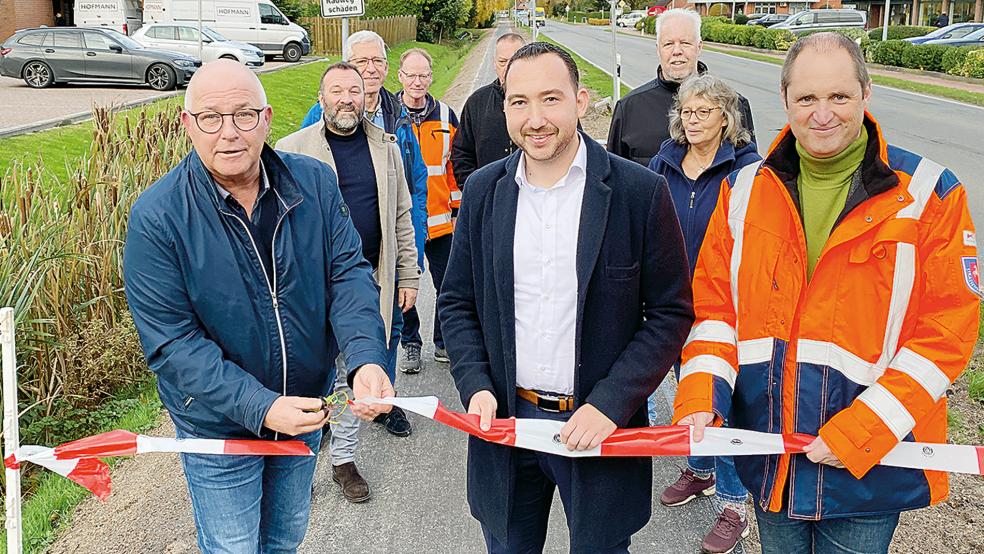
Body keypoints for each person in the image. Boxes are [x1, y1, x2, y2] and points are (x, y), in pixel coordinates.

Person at [673, 33, 979, 553]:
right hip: (772, 458)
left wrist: (861, 430)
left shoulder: (929, 194)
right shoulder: (742, 191)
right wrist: (702, 395)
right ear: (784, 98)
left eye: (838, 96)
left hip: (868, 469)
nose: (822, 114)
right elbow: (716, 311)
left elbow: (948, 331)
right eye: (807, 98)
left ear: (866, 93)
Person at [122, 60, 395, 552]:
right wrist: (261, 407)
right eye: (211, 117)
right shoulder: (158, 216)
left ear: (266, 119)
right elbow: (172, 343)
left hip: (305, 409)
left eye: (244, 115)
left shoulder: (314, 183)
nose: (229, 133)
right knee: (233, 546)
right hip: (218, 424)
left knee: (286, 538)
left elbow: (347, 275)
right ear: (187, 124)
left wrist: (366, 358)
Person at [439, 42, 695, 553]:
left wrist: (611, 403)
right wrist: (476, 385)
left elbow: (670, 313)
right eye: (519, 102)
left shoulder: (639, 192)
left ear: (581, 101)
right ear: (504, 106)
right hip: (507, 424)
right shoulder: (484, 191)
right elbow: (456, 302)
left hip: (599, 427)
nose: (535, 119)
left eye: (550, 99)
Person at [276, 61, 420, 501]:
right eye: (336, 91)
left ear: (366, 97)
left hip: (366, 283)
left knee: (350, 376)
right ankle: (298, 465)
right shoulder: (290, 150)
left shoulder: (386, 147)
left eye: (354, 91)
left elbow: (401, 215)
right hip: (306, 291)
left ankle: (343, 461)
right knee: (303, 380)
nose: (346, 99)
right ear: (321, 99)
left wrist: (408, 273)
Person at [647, 73, 761, 554]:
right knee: (687, 392)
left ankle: (734, 506)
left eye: (703, 112)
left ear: (726, 117)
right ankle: (700, 469)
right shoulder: (663, 161)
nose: (692, 120)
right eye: (686, 112)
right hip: (675, 303)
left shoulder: (749, 171)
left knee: (722, 406)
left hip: (726, 309)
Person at [300, 31, 429, 271]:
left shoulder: (398, 115)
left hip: (387, 261)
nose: (371, 69)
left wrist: (415, 249)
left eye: (377, 61)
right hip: (331, 262)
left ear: (386, 68)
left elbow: (415, 184)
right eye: (362, 61)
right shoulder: (319, 115)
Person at [607, 8, 755, 166]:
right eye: (668, 44)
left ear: (699, 47)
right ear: (658, 49)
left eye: (685, 43)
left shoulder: (733, 105)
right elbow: (613, 173)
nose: (677, 51)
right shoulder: (629, 108)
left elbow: (750, 173)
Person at [394, 47, 461, 373]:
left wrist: (457, 210)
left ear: (431, 77)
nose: (417, 82)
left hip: (441, 221)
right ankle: (410, 343)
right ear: (400, 77)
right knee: (403, 285)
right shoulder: (388, 115)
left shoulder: (447, 115)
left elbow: (453, 168)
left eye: (423, 75)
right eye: (412, 75)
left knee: (448, 286)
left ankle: (443, 342)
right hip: (404, 222)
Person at [450, 32, 526, 187]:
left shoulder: (545, 102)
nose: (508, 68)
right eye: (502, 62)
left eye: (515, 61)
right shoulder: (477, 102)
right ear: (494, 63)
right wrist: (476, 191)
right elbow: (461, 154)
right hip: (489, 196)